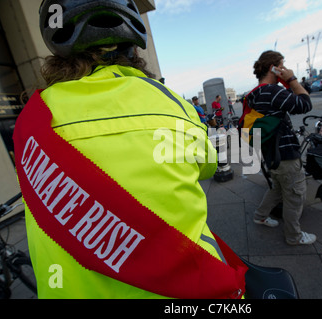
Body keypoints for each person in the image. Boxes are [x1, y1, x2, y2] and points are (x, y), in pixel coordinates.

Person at [13, 0, 246, 299]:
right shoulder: (169, 101)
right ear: (133, 50)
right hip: (188, 290)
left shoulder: (32, 119)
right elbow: (208, 165)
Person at [248, 50, 316, 246]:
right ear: (274, 68)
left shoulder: (255, 94)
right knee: (295, 196)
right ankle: (293, 236)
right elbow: (305, 104)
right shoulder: (272, 91)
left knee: (277, 188)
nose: (285, 69)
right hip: (285, 154)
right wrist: (292, 79)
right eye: (282, 66)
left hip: (270, 154)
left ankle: (260, 216)